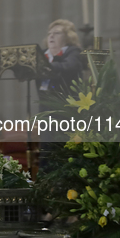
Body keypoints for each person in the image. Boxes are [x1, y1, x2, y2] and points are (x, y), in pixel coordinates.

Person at [37, 19, 84, 171]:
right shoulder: (43, 55)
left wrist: (47, 66)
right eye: (49, 33)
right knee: (47, 149)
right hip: (46, 110)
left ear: (67, 37)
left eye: (57, 33)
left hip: (65, 112)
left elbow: (69, 66)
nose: (51, 36)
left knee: (63, 151)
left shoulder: (72, 52)